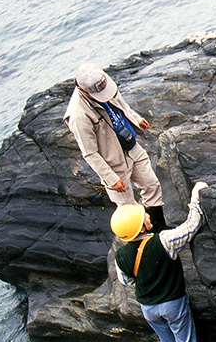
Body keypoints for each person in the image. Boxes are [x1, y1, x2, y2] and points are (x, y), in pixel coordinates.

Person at [111, 181, 210, 342]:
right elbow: (191, 226)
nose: (147, 214)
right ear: (140, 225)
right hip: (173, 304)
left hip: (149, 309)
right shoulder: (163, 240)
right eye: (143, 215)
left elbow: (125, 280)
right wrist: (195, 196)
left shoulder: (121, 255)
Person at [64, 62, 166, 228]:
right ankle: (142, 246)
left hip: (131, 145)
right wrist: (111, 179)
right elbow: (90, 153)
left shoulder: (104, 84)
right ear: (83, 90)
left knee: (151, 185)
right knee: (128, 210)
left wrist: (136, 118)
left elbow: (121, 105)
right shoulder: (78, 116)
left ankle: (159, 233)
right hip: (114, 163)